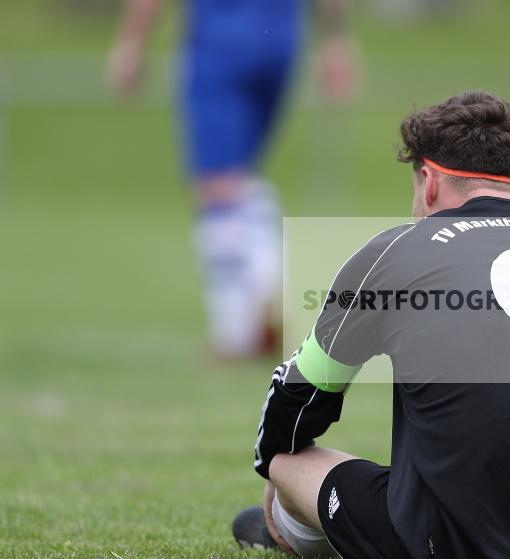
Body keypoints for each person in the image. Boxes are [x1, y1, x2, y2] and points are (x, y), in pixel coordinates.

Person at [232, 91, 510, 559]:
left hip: (440, 546)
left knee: (289, 460)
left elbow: (296, 403)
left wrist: (273, 466)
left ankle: (288, 531)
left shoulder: (394, 252)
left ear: (430, 182)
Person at [108, 0, 359, 358]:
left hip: (219, 43)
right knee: (240, 177)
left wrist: (132, 42)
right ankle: (268, 293)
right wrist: (336, 41)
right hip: (281, 42)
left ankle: (239, 328)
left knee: (217, 185)